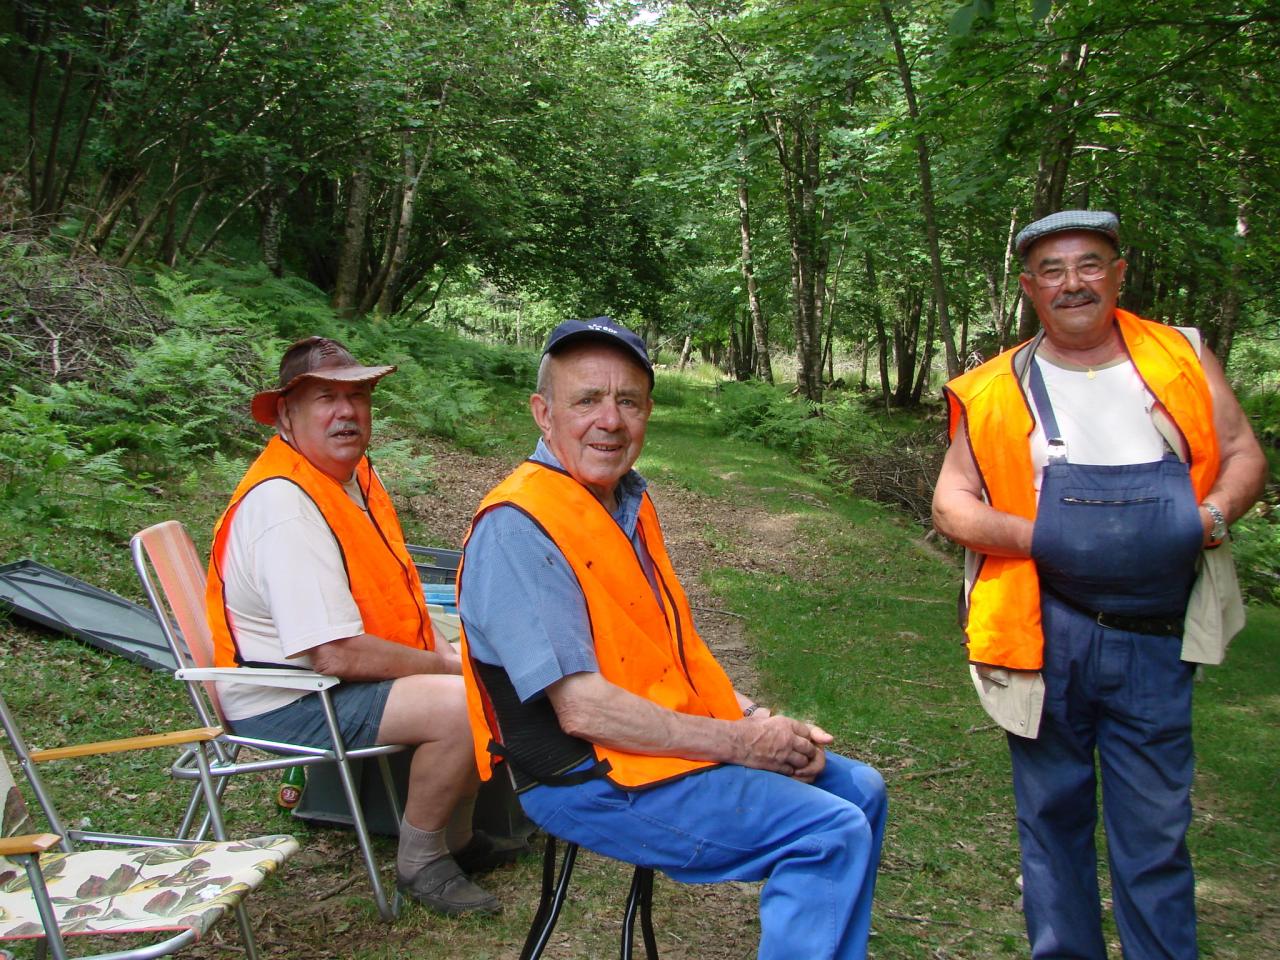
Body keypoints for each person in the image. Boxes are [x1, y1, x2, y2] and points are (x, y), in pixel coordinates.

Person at [457, 317, 887, 960]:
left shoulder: (626, 502)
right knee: (826, 831)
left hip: (650, 749)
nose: (610, 420)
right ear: (543, 414)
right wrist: (742, 744)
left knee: (860, 791)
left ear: (648, 412)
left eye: (627, 400)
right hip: (584, 777)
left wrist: (753, 717)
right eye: (586, 401)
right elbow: (581, 709)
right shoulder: (521, 527)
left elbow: (662, 654)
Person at [932, 211, 1267, 959]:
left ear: (1119, 274)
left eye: (1090, 264)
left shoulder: (1179, 356)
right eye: (1052, 271)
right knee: (1051, 825)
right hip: (1044, 634)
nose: (1072, 282)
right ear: (1029, 289)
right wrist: (1043, 537)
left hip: (1157, 638)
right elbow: (951, 503)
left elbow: (1244, 452)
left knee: (1153, 832)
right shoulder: (993, 387)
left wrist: (1209, 516)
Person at [206, 335, 516, 916]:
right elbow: (336, 654)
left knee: (488, 661)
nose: (346, 412)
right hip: (288, 700)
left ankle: (459, 840)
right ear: (286, 415)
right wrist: (442, 663)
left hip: (329, 680)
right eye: (326, 398)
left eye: (358, 396)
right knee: (463, 700)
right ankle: (421, 860)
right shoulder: (284, 507)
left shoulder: (344, 476)